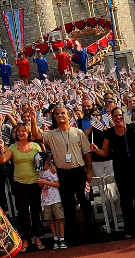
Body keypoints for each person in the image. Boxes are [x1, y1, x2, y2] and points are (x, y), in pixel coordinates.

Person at [31, 105, 101, 245]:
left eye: (63, 113)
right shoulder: (51, 134)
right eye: (57, 114)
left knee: (85, 203)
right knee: (68, 206)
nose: (60, 115)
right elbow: (37, 135)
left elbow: (87, 153)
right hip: (62, 174)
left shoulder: (78, 132)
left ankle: (93, 234)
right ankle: (72, 238)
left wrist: (89, 171)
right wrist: (33, 119)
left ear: (69, 116)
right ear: (54, 117)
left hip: (78, 171)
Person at [93, 107, 135, 237]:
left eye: (120, 115)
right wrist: (96, 150)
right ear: (112, 118)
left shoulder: (133, 127)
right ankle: (130, 229)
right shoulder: (109, 133)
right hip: (122, 172)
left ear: (123, 116)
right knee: (126, 199)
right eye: (115, 116)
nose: (118, 118)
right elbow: (105, 152)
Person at [0, 121, 44, 251]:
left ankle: (38, 238)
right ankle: (25, 239)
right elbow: (2, 160)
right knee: (23, 213)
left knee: (36, 211)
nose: (21, 133)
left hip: (35, 183)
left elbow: (42, 164)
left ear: (29, 132)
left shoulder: (36, 146)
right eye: (18, 131)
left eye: (23, 130)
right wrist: (0, 149)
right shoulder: (12, 147)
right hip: (19, 184)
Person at [36, 153, 64, 249]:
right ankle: (55, 238)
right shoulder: (40, 173)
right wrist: (40, 184)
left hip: (55, 199)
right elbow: (41, 186)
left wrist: (44, 182)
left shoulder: (52, 171)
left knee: (59, 219)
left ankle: (62, 238)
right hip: (46, 200)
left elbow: (57, 184)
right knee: (51, 220)